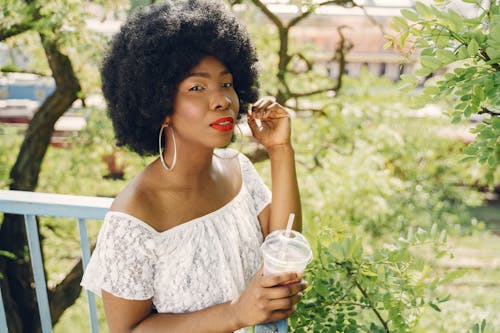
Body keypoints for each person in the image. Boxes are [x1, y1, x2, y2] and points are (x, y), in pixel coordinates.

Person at [81, 1, 306, 332]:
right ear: (161, 105)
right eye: (197, 87)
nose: (222, 100)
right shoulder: (135, 216)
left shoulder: (238, 170)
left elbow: (283, 241)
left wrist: (280, 149)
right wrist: (236, 313)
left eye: (226, 83)